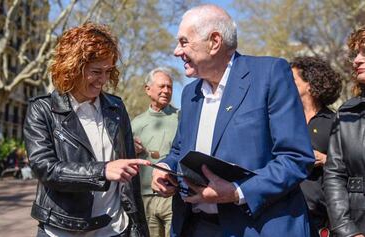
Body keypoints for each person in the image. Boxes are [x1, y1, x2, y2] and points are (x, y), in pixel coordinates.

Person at [150, 4, 315, 237]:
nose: (177, 51)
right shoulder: (189, 94)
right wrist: (166, 168)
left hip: (256, 227)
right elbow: (180, 150)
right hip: (195, 226)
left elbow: (296, 159)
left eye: (184, 41)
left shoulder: (269, 74)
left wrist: (237, 191)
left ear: (214, 41)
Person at [23, 22, 150, 237]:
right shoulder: (42, 109)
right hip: (62, 228)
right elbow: (45, 168)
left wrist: (138, 228)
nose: (103, 80)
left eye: (108, 71)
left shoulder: (116, 107)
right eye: (96, 71)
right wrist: (102, 170)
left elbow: (131, 180)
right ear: (72, 68)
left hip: (115, 228)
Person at [290, 57, 342, 237]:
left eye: (293, 80)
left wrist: (325, 159)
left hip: (318, 218)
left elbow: (352, 166)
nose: (286, 84)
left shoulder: (335, 122)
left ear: (310, 85)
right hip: (284, 212)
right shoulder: (284, 119)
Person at [323, 25, 365, 237]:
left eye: (364, 52)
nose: (356, 60)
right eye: (356, 53)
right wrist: (347, 231)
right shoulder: (348, 112)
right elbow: (334, 175)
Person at [131, 67, 179, 237]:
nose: (166, 91)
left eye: (170, 87)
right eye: (162, 86)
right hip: (144, 198)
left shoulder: (181, 118)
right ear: (148, 89)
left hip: (174, 197)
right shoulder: (135, 123)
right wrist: (131, 150)